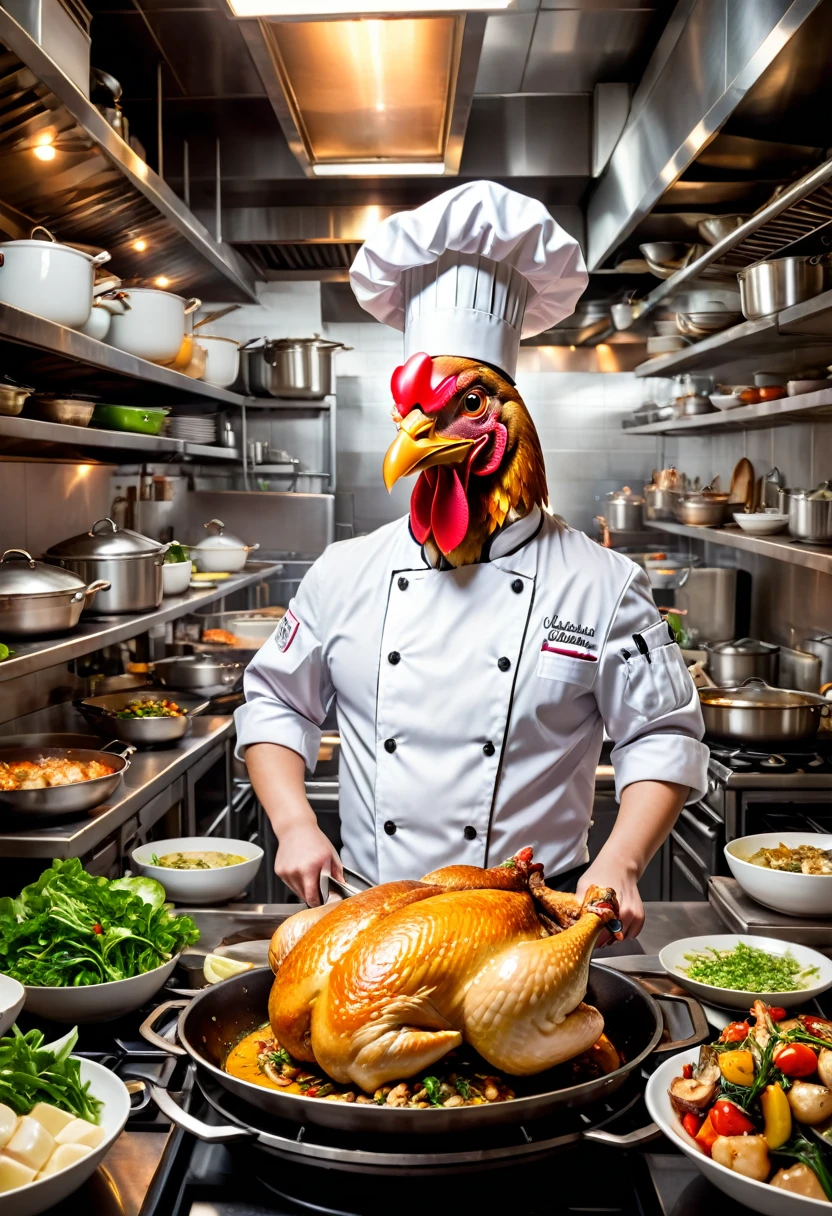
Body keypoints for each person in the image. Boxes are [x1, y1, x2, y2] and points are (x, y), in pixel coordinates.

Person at [235, 180, 708, 938]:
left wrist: (620, 860)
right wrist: (293, 823)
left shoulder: (603, 584)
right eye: (418, 417)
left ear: (512, 418)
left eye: (469, 406)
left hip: (534, 923)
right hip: (371, 915)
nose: (428, 433)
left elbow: (663, 735)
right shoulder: (344, 572)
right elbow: (274, 703)